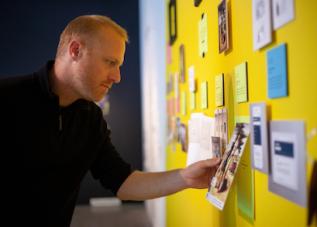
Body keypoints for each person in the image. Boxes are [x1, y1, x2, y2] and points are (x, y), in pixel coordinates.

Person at [0, 15, 220, 227]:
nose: (117, 76)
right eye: (110, 62)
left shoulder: (91, 119)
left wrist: (185, 178)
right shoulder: (8, 97)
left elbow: (123, 181)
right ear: (75, 50)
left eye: (119, 65)